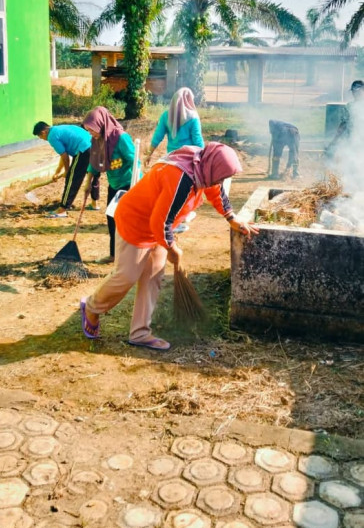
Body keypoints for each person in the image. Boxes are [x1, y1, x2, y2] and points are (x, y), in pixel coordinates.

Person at [80, 142, 259, 350]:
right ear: (211, 166)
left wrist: (231, 217)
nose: (221, 181)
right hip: (135, 222)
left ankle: (139, 333)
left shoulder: (203, 168)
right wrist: (172, 248)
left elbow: (215, 191)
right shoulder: (181, 179)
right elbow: (160, 222)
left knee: (153, 277)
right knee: (126, 276)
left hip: (158, 226)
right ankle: (91, 306)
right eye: (221, 176)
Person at [82, 106, 140, 263]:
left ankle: (130, 257)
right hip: (114, 184)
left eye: (91, 129)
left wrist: (137, 186)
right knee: (111, 218)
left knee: (125, 221)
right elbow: (94, 163)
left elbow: (135, 161)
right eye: (88, 130)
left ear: (101, 123)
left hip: (128, 184)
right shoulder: (97, 140)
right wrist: (88, 183)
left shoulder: (120, 138)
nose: (90, 133)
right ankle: (114, 255)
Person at [32, 121, 100, 217]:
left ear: (43, 132)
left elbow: (65, 156)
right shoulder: (58, 129)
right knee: (93, 176)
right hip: (95, 146)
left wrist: (67, 171)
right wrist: (58, 172)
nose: (43, 140)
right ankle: (94, 204)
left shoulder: (51, 136)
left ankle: (62, 210)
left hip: (83, 150)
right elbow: (63, 154)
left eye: (41, 137)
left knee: (72, 180)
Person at [144, 87, 204, 166]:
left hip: (171, 159)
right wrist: (204, 158)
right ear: (189, 100)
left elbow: (157, 136)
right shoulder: (193, 118)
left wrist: (149, 154)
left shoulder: (166, 116)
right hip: (189, 160)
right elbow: (198, 140)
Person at [325, 80, 364, 157]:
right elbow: (343, 125)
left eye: (357, 92)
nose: (354, 94)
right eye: (353, 92)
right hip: (352, 140)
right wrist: (334, 140)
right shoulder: (349, 106)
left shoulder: (350, 106)